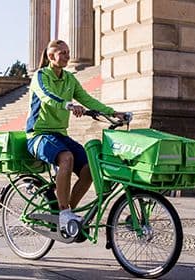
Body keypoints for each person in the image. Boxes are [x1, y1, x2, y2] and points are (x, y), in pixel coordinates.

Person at [25, 40, 127, 231]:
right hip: (37, 135)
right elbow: (47, 96)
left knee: (89, 168)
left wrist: (113, 113)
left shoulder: (69, 79)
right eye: (62, 52)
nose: (66, 56)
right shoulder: (40, 75)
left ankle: (67, 212)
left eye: (68, 52)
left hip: (59, 135)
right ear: (50, 56)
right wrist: (68, 105)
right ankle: (64, 212)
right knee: (66, 158)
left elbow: (87, 99)